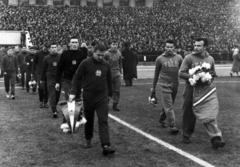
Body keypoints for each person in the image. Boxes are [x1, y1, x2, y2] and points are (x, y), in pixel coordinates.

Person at [179, 38, 226, 150]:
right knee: (188, 112)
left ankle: (216, 139)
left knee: (209, 112)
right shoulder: (188, 58)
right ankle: (186, 135)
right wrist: (194, 77)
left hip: (205, 90)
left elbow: (213, 73)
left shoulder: (210, 59)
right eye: (195, 45)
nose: (196, 47)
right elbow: (181, 73)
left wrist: (208, 78)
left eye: (199, 45)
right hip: (191, 89)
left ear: (205, 47)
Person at [69, 43, 115, 156]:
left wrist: (110, 93)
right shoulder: (85, 63)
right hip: (89, 96)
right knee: (89, 119)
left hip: (102, 97)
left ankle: (106, 145)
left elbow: (109, 80)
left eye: (102, 55)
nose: (100, 57)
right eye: (98, 55)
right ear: (93, 53)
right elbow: (77, 77)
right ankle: (88, 139)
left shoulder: (106, 65)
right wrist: (73, 92)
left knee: (103, 120)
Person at [151, 40, 182, 134]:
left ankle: (162, 118)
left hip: (175, 84)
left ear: (174, 48)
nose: (169, 49)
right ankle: (172, 125)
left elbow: (183, 70)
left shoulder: (179, 57)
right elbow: (156, 74)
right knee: (169, 106)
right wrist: (153, 87)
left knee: (169, 104)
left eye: (171, 47)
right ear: (164, 47)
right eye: (167, 47)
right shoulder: (160, 59)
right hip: (164, 84)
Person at [55, 37, 87, 124]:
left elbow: (86, 69)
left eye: (76, 42)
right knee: (69, 99)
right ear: (69, 44)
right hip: (67, 80)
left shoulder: (82, 54)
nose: (74, 44)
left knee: (78, 99)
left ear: (78, 44)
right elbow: (59, 68)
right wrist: (57, 81)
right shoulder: (64, 54)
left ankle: (79, 117)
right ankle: (66, 121)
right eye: (72, 42)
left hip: (79, 81)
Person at [41, 43, 61, 118]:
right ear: (50, 49)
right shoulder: (46, 58)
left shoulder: (60, 57)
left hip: (59, 78)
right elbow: (43, 69)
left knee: (57, 95)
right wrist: (42, 79)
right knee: (51, 94)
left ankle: (54, 106)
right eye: (52, 47)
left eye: (55, 47)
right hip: (50, 78)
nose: (54, 48)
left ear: (57, 48)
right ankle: (54, 111)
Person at [104, 40, 122, 111]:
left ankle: (115, 104)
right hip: (109, 73)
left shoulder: (119, 53)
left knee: (117, 90)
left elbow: (120, 63)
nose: (115, 46)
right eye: (113, 44)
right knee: (108, 90)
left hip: (117, 73)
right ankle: (105, 103)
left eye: (116, 44)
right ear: (110, 45)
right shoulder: (106, 54)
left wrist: (121, 72)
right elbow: (103, 64)